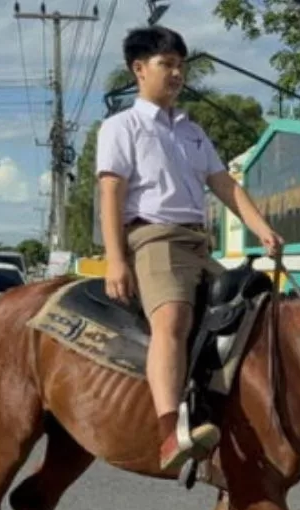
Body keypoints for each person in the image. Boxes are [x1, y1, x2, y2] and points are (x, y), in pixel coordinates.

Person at [95, 25, 284, 472]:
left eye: (181, 65)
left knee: (252, 311)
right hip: (152, 237)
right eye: (167, 64)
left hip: (198, 241)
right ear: (139, 70)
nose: (177, 73)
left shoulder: (192, 131)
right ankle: (167, 435)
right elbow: (110, 194)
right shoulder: (122, 126)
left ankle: (225, 413)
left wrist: (263, 229)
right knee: (174, 318)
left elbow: (223, 184)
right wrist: (116, 261)